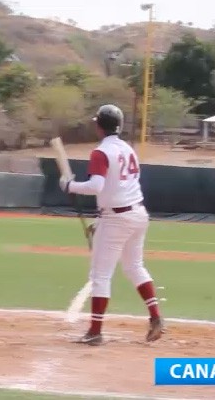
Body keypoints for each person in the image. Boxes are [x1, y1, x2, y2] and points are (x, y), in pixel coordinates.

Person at [58, 104, 164, 346]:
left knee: (100, 275)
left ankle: (95, 331)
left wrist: (69, 186)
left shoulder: (101, 152)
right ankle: (156, 317)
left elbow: (96, 186)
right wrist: (100, 218)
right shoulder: (128, 149)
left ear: (99, 126)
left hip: (117, 218)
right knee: (135, 267)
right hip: (137, 212)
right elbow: (119, 187)